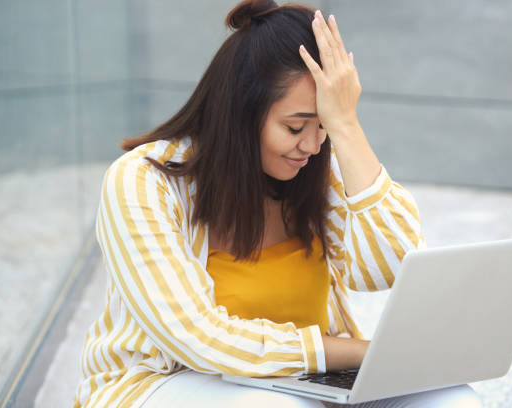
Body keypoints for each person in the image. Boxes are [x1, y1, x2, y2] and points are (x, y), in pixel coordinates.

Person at [74, 0, 482, 406]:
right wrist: (352, 352)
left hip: (305, 383)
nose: (311, 145)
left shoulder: (319, 168)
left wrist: (347, 125)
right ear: (241, 111)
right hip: (172, 381)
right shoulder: (143, 182)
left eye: (322, 125)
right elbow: (194, 336)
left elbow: (392, 267)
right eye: (294, 126)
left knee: (453, 400)